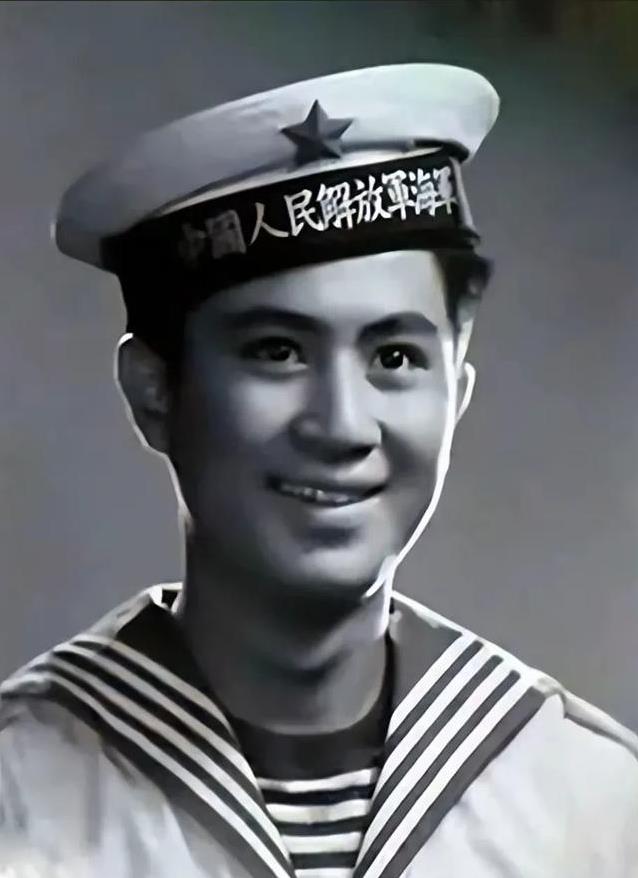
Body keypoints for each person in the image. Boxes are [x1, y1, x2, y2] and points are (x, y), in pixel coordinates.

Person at [0, 64, 636, 878]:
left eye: (395, 357)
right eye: (278, 351)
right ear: (154, 390)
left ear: (457, 394)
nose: (340, 426)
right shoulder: (20, 791)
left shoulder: (593, 806)